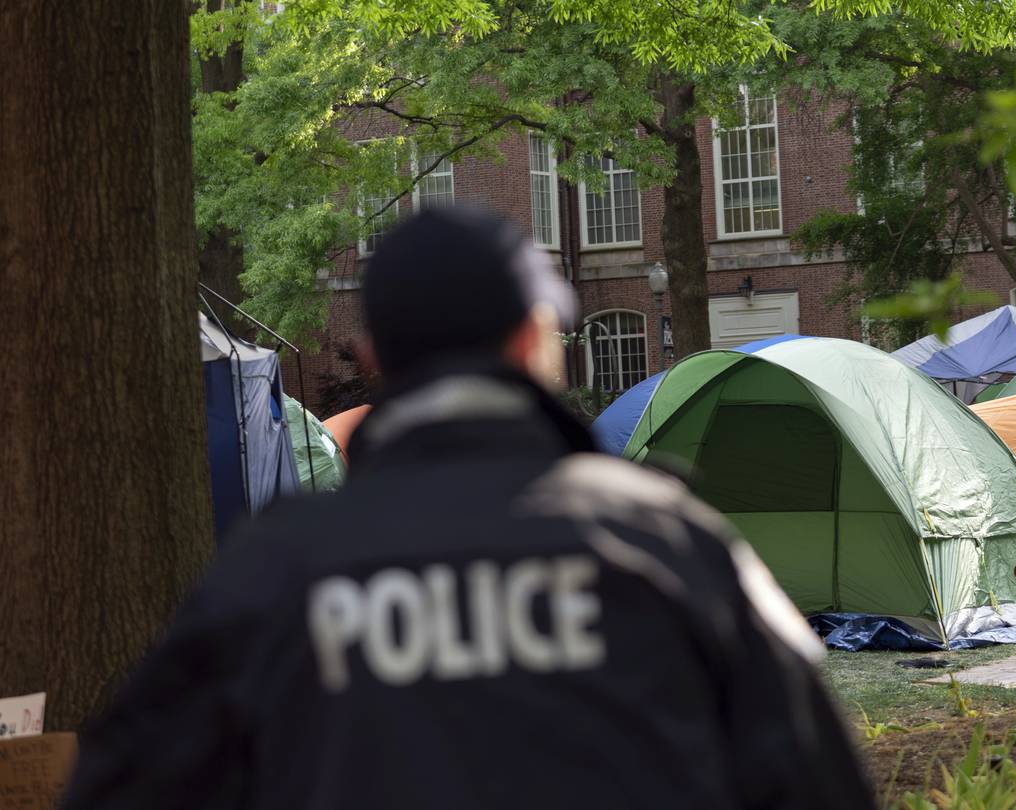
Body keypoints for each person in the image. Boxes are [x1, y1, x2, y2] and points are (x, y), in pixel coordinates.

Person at [62, 207, 875, 810]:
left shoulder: (273, 574)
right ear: (531, 338)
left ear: (375, 353)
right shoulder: (669, 544)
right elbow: (820, 781)